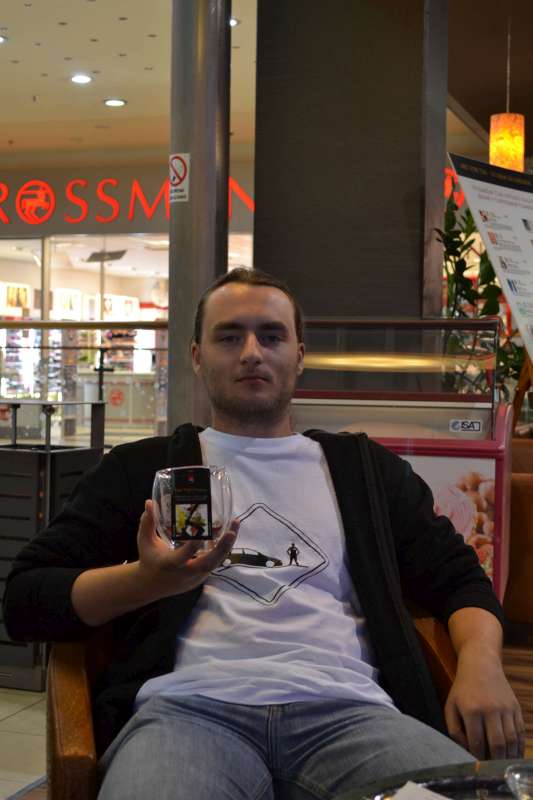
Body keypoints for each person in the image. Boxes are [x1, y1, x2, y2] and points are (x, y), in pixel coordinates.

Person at [3, 268, 524, 800]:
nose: (252, 352)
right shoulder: (142, 469)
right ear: (197, 356)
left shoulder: (365, 472)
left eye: (271, 337)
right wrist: (145, 581)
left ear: (299, 355)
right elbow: (25, 599)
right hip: (186, 714)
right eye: (230, 337)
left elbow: (459, 579)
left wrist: (482, 665)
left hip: (350, 713)